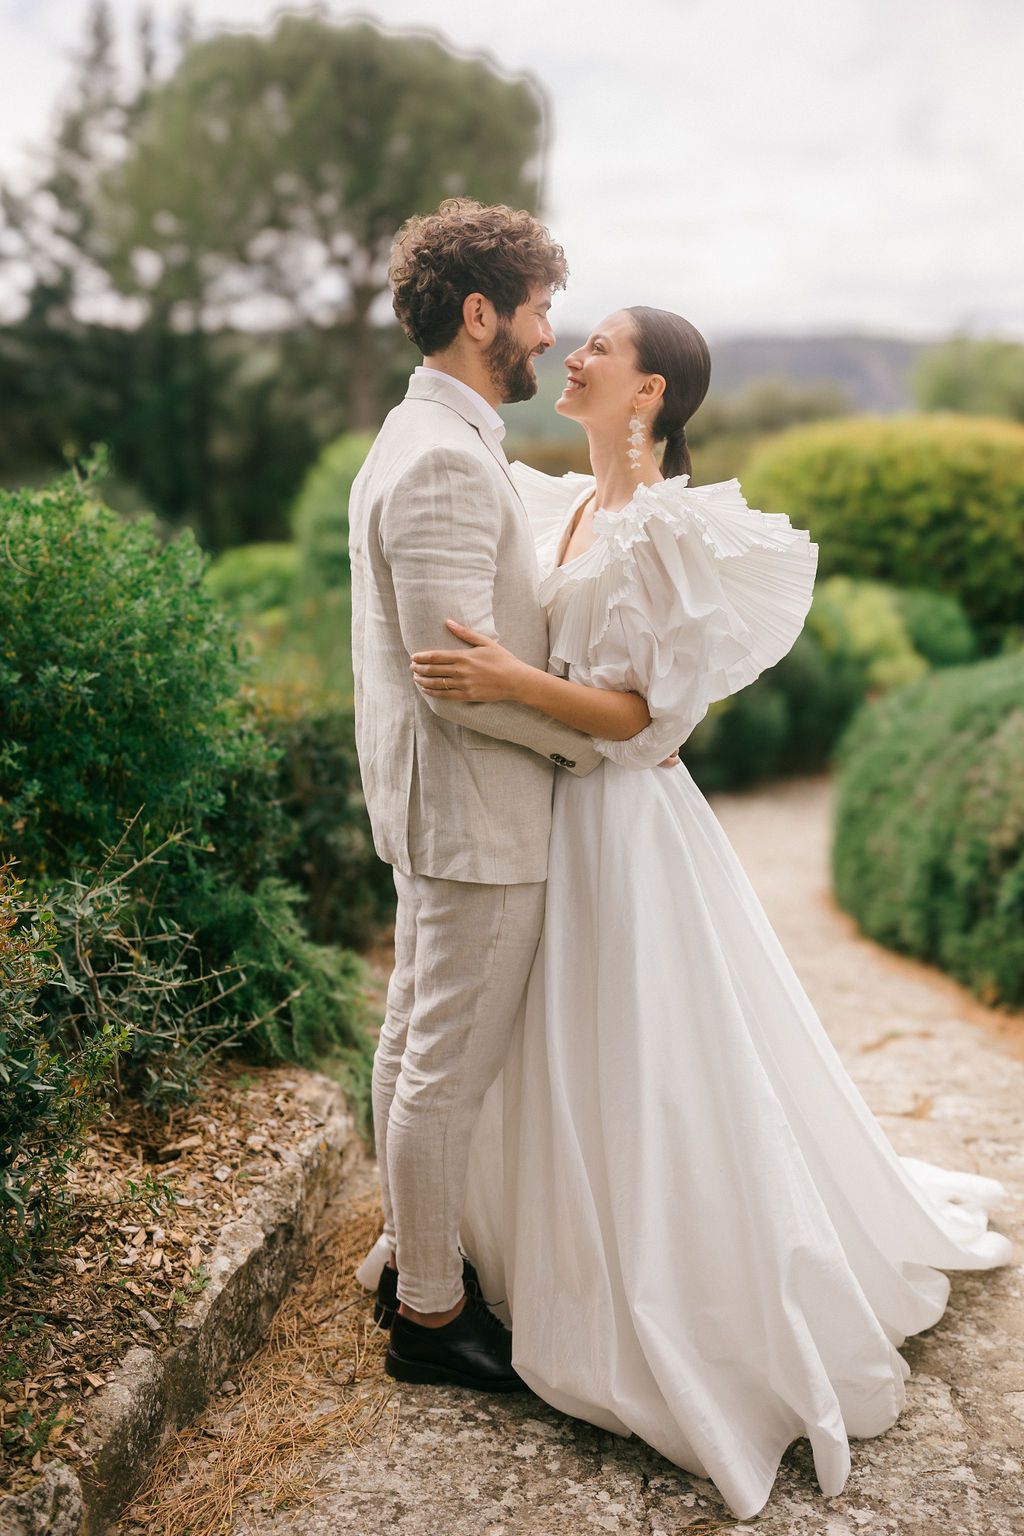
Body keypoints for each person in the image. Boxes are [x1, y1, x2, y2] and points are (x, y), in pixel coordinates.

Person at [395, 303, 1013, 1519]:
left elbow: (646, 721)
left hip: (621, 837)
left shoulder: (668, 529)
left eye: (599, 351)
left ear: (650, 397)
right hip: (545, 821)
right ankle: (517, 1257)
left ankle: (658, 1285)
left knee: (640, 1059)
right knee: (532, 1049)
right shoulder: (557, 499)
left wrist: (515, 684)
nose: (570, 355)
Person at [349, 200, 664, 1394]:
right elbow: (455, 684)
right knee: (439, 1067)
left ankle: (402, 1259)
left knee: (408, 1046)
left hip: (445, 811)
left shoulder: (437, 434)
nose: (547, 334)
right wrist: (600, 749)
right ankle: (432, 1317)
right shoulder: (437, 456)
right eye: (536, 311)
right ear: (479, 312)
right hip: (473, 813)